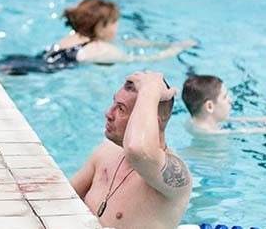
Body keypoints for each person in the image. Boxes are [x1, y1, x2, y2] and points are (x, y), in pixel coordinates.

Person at [71, 71, 192, 228]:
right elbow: (63, 197)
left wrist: (150, 89)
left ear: (152, 124)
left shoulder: (176, 176)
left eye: (121, 109)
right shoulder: (106, 152)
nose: (108, 113)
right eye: (114, 103)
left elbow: (137, 150)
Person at [46, 0, 195, 66]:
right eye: (114, 22)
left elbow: (121, 42)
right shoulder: (103, 50)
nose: (117, 26)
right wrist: (177, 49)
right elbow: (144, 60)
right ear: (100, 27)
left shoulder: (76, 36)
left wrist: (160, 44)